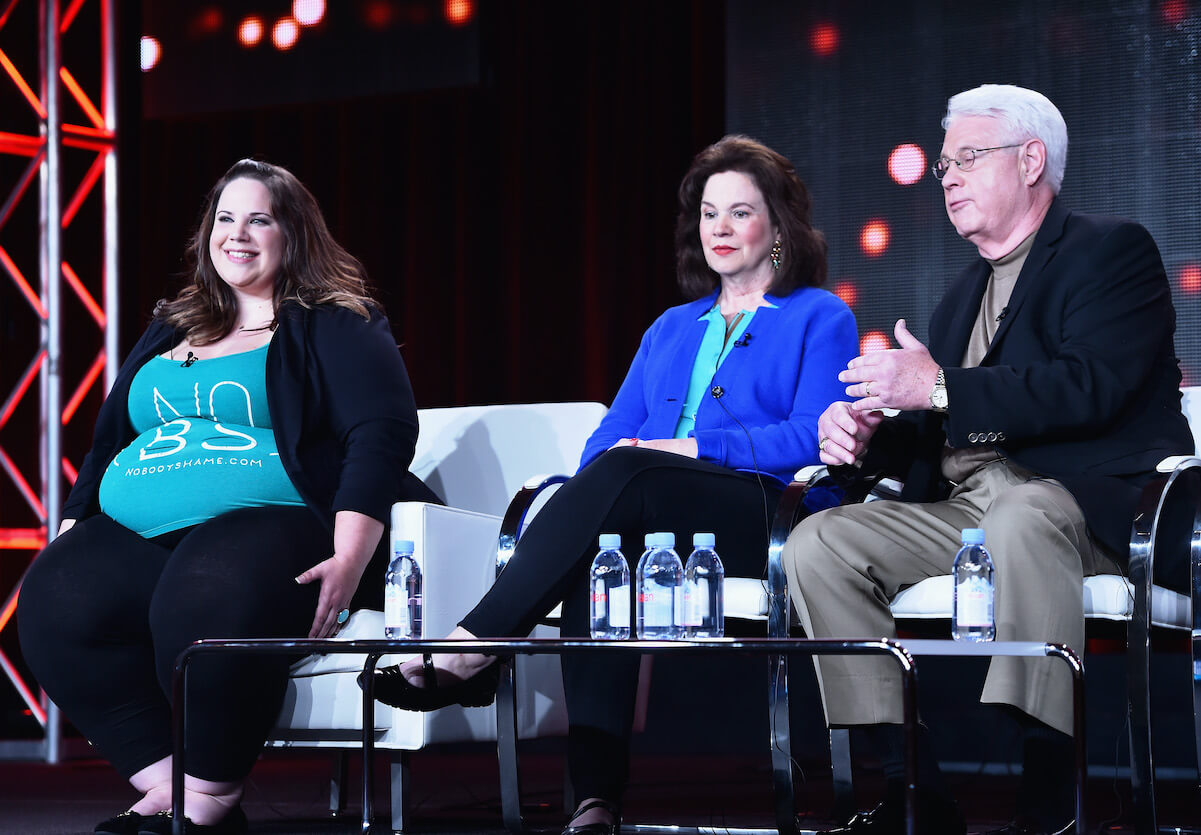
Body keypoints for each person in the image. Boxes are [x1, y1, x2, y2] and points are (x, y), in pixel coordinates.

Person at [361, 135, 858, 834]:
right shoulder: (669, 327)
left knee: (624, 476)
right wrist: (636, 456)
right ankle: (594, 801)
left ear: (778, 228)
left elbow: (813, 437)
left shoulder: (818, 315)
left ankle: (474, 644)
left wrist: (685, 445)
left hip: (762, 510)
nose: (718, 227)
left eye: (739, 212)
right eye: (708, 213)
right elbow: (605, 440)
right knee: (600, 548)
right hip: (649, 505)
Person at [783, 85, 1193, 835]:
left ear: (1031, 160)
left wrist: (935, 383)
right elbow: (948, 428)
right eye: (942, 163)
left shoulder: (1110, 249)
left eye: (966, 158)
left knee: (1021, 512)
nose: (946, 176)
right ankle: (914, 789)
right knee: (819, 542)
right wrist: (868, 435)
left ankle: (1049, 794)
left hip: (1088, 502)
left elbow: (1088, 386)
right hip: (971, 510)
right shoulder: (960, 293)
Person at [18, 159, 441, 835]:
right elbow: (107, 439)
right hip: (150, 533)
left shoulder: (335, 320)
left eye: (258, 219)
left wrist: (352, 551)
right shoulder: (172, 323)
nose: (236, 234)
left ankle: (209, 798)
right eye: (224, 218)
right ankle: (165, 785)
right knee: (52, 599)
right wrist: (72, 527)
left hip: (285, 523)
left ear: (292, 233)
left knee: (208, 586)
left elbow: (380, 433)